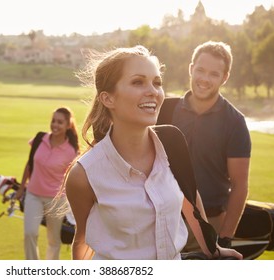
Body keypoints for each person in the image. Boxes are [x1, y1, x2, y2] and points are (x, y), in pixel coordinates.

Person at [63, 45, 242, 260]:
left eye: (157, 83)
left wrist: (213, 249)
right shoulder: (84, 175)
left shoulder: (173, 143)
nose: (153, 91)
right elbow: (83, 239)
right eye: (138, 82)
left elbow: (189, 197)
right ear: (108, 98)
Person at [157, 41, 251, 250]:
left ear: (224, 77)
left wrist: (225, 237)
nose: (204, 79)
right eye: (200, 70)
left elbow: (239, 184)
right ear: (191, 69)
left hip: (208, 222)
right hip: (160, 217)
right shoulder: (164, 110)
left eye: (214, 74)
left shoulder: (234, 122)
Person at [15, 107, 79, 260]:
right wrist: (21, 187)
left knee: (53, 240)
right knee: (30, 233)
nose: (55, 125)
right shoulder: (39, 139)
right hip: (33, 194)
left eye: (60, 122)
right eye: (53, 121)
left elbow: (72, 177)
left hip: (56, 200)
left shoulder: (71, 150)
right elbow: (30, 164)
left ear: (68, 125)